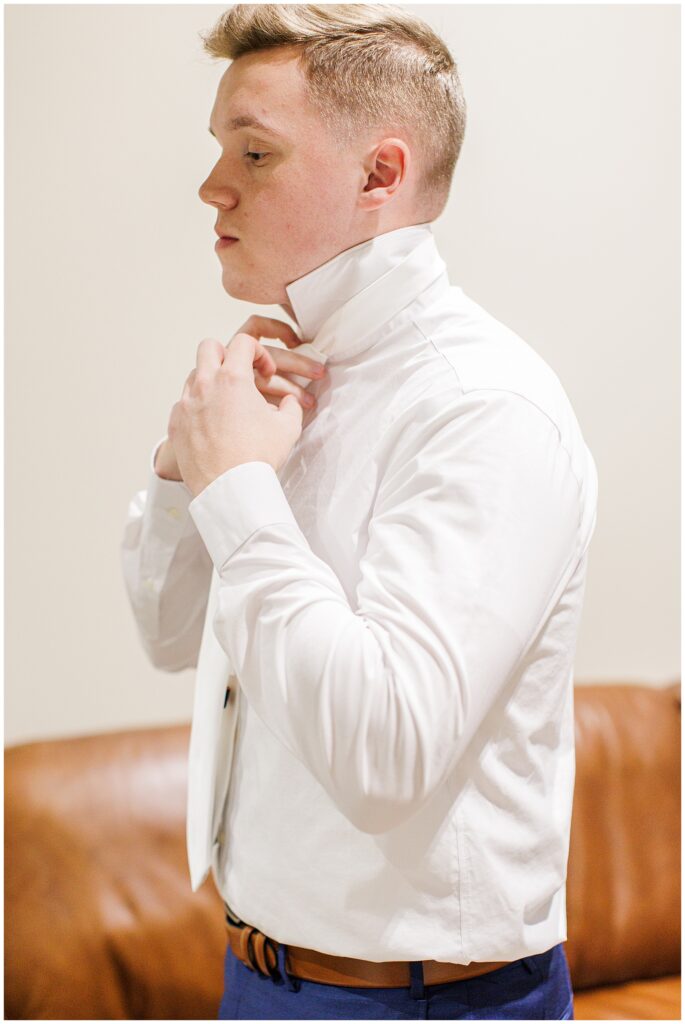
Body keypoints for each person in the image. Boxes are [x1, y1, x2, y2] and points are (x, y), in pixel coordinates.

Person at [121, 4, 598, 1019]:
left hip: (422, 1003)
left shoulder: (482, 406)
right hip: (256, 972)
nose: (212, 188)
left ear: (379, 176)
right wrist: (186, 473)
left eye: (254, 152)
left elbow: (384, 756)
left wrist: (237, 490)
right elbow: (168, 636)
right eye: (220, 150)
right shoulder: (283, 383)